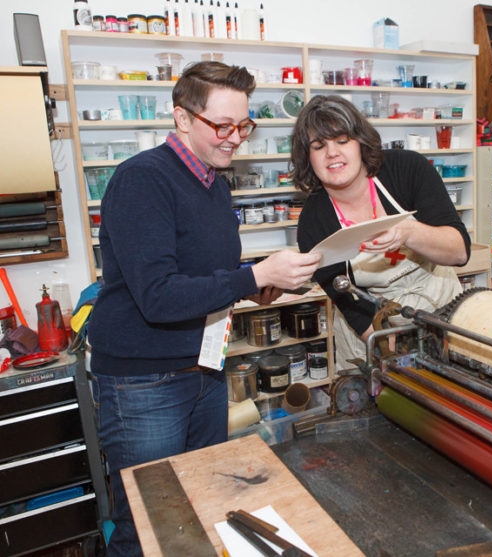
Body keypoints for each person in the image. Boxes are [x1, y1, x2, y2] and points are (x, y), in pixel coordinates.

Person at [88, 61, 321, 557]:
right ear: (182, 117)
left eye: (244, 125)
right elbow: (158, 296)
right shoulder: (143, 180)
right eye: (222, 125)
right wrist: (254, 275)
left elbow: (203, 276)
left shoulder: (213, 182)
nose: (236, 138)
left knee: (208, 504)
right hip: (144, 385)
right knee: (151, 524)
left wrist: (257, 287)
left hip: (204, 369)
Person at [291, 95, 470, 370]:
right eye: (319, 146)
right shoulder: (314, 221)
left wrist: (409, 232)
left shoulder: (407, 169)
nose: (332, 153)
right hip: (372, 329)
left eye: (342, 141)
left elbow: (459, 251)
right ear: (307, 158)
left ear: (360, 142)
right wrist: (394, 359)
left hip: (445, 313)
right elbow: (349, 303)